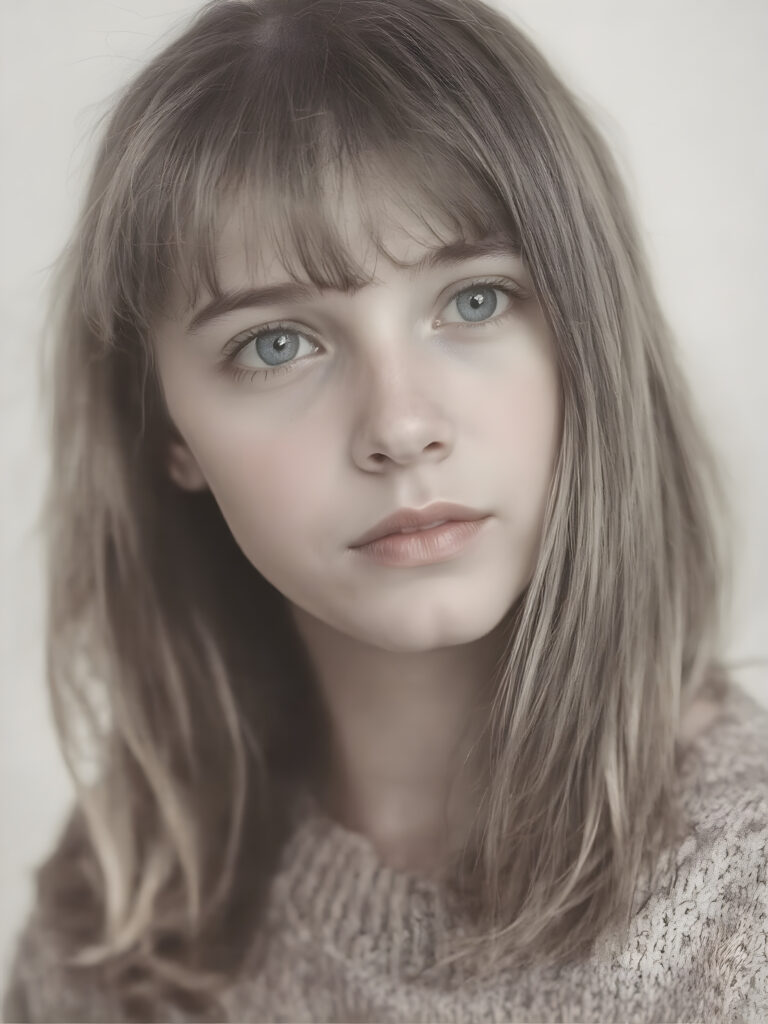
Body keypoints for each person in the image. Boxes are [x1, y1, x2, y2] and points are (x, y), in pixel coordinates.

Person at [3, 0, 767, 1020]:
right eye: (277, 344)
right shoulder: (117, 919)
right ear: (167, 433)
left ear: (588, 334)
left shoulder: (744, 912)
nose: (402, 427)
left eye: (476, 300)